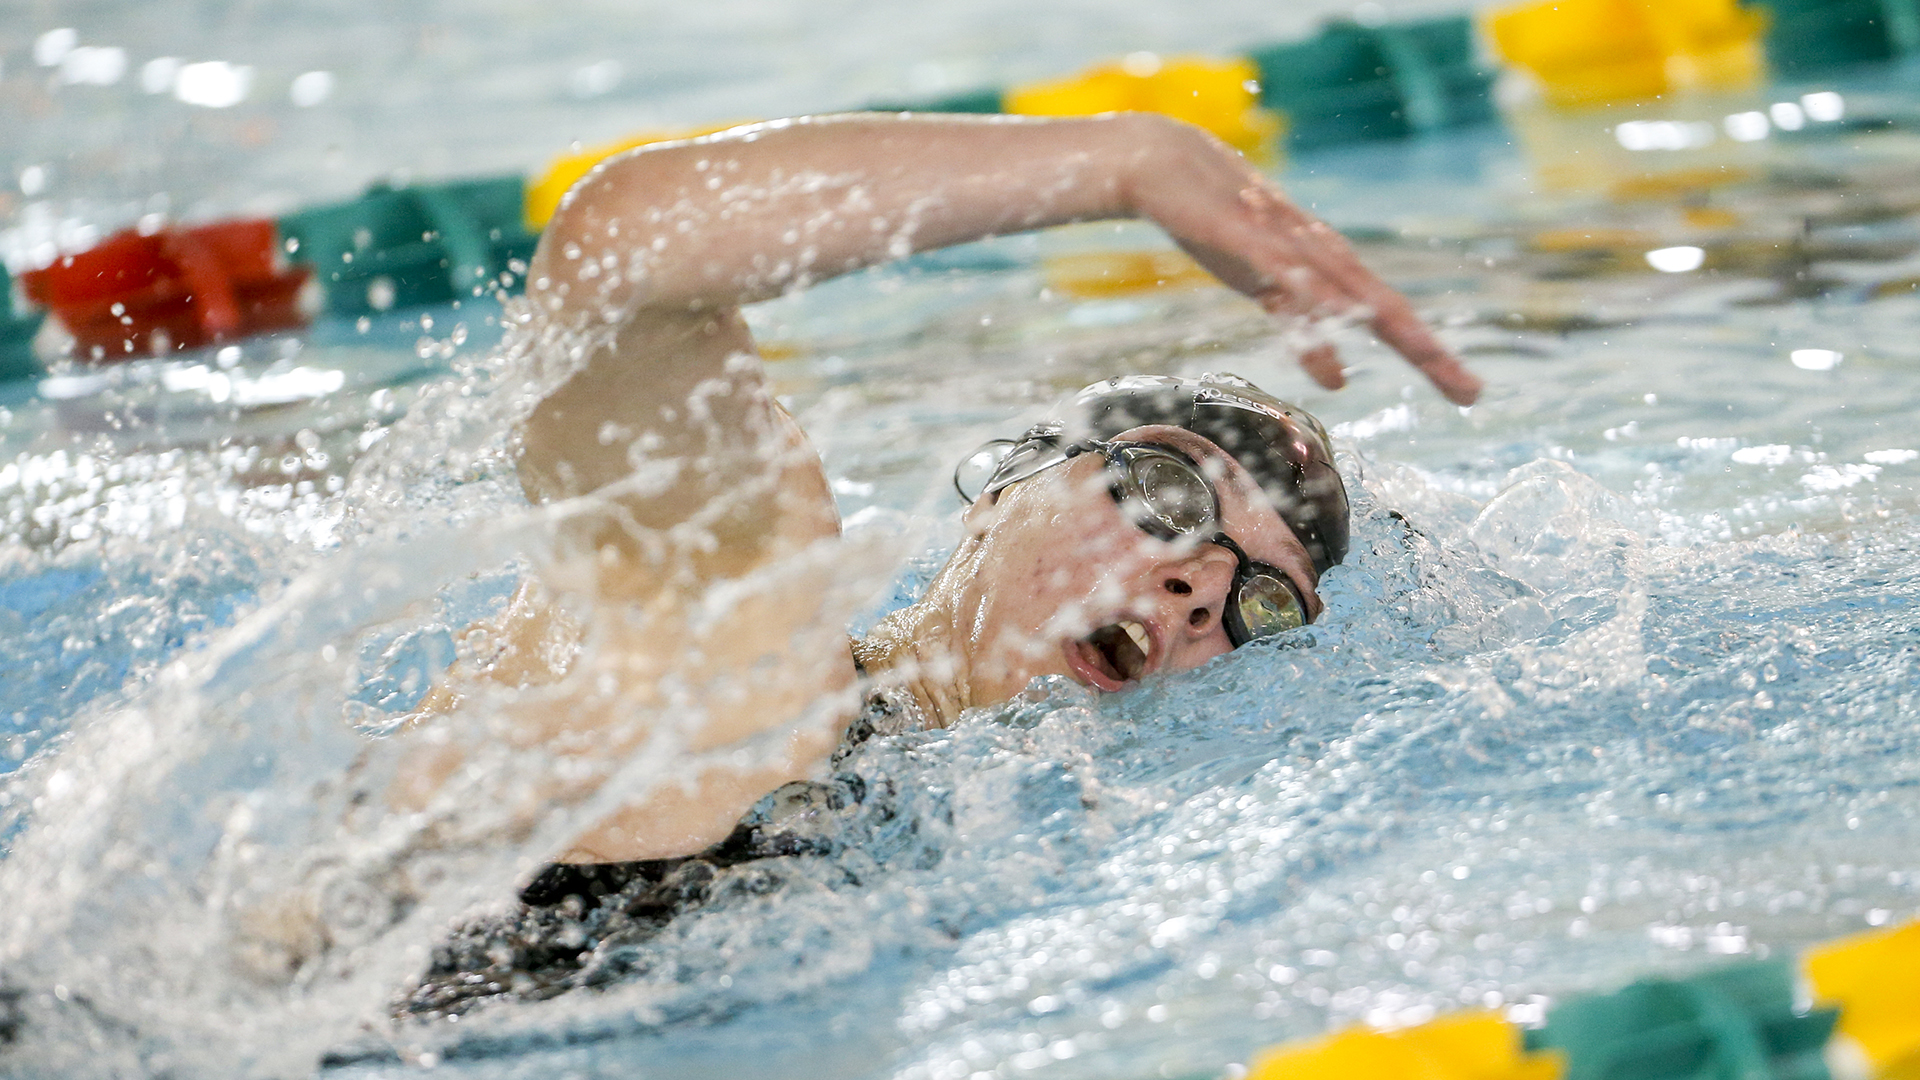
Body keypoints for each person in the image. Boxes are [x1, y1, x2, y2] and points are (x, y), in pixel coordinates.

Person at [393, 111, 1481, 879]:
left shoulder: (958, 834)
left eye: (1263, 604)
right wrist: (1124, 160)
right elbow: (625, 253)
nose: (1203, 587)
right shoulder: (745, 617)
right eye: (1164, 490)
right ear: (1003, 489)